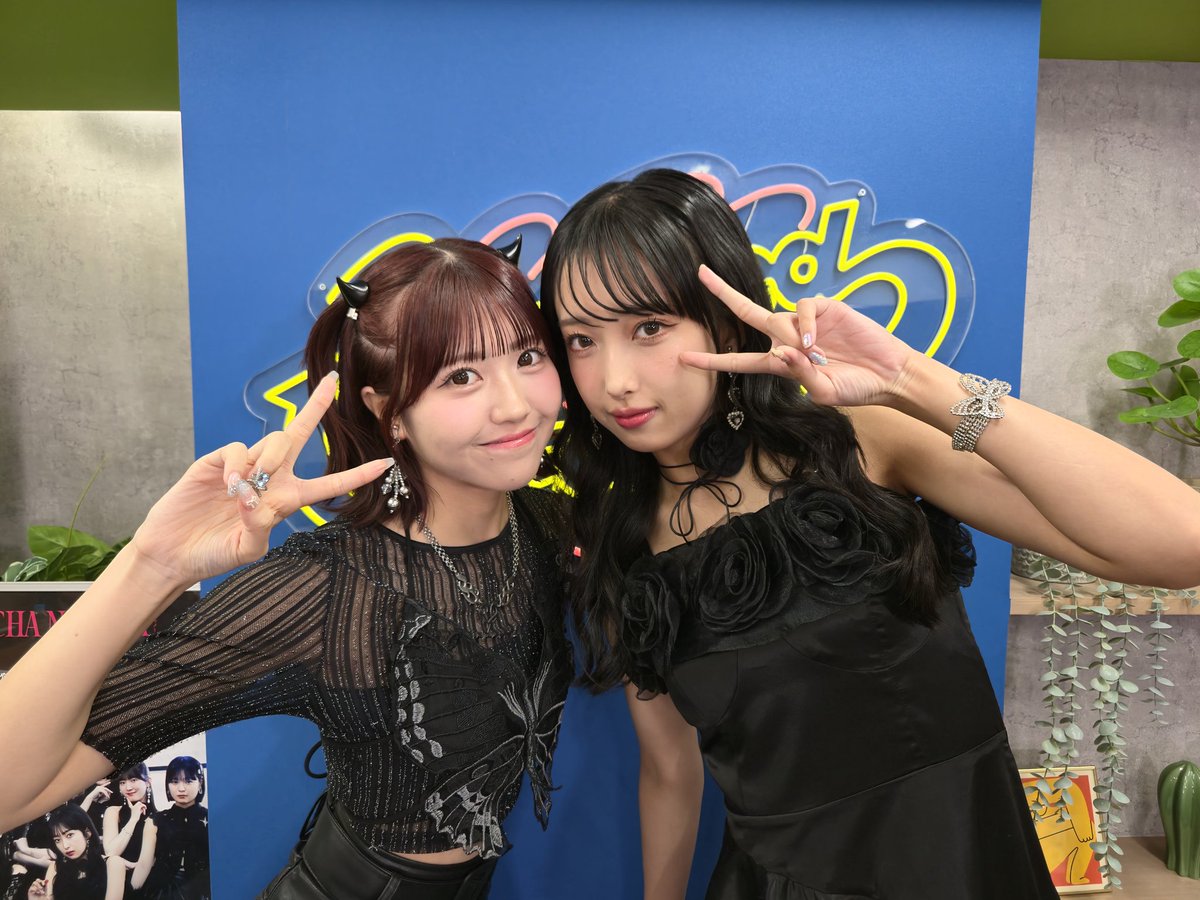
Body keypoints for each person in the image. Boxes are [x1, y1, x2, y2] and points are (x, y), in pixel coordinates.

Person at [538, 168, 1200, 899]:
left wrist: (913, 379)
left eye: (648, 328)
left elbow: (1183, 542)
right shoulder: (623, 544)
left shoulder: (858, 445)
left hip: (965, 866)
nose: (615, 380)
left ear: (723, 320)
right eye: (581, 341)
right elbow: (669, 771)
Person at [0, 237, 573, 900]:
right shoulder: (330, 588)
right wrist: (151, 564)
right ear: (389, 411)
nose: (514, 405)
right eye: (460, 377)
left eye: (527, 357)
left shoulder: (544, 524)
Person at [141, 757, 209, 900]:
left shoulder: (211, 818)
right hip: (162, 891)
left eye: (189, 781)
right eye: (175, 781)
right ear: (168, 785)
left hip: (202, 890)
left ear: (200, 783)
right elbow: (144, 865)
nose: (181, 788)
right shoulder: (157, 820)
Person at [26, 804, 127, 900]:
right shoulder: (55, 868)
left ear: (87, 833)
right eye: (57, 840)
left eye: (69, 835)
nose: (65, 846)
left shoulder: (113, 864)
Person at [102, 765, 155, 899]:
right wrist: (133, 819)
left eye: (133, 780)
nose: (128, 787)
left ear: (148, 782)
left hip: (145, 885)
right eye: (122, 782)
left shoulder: (158, 818)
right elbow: (111, 852)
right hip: (112, 882)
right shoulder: (113, 812)